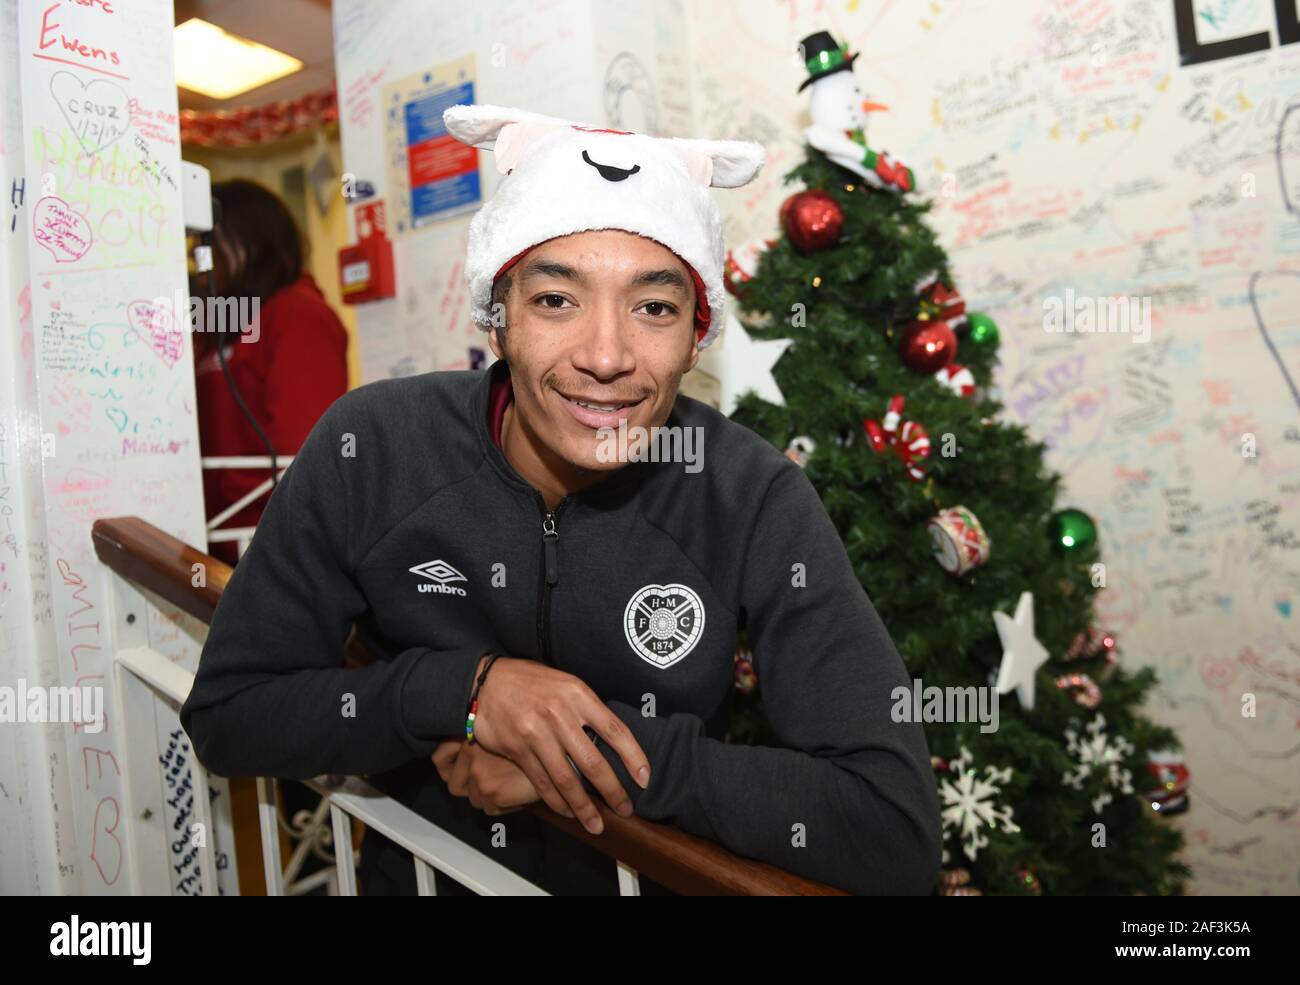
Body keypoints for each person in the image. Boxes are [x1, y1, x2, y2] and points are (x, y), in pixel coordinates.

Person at [180, 104, 943, 896]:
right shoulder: (374, 447)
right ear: (498, 316)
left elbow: (891, 827)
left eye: (654, 307)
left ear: (695, 335)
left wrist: (581, 752)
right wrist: (466, 689)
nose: (606, 356)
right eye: (556, 299)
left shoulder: (747, 493)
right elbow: (232, 713)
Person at [193, 178, 349, 566]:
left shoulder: (296, 315)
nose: (199, 265)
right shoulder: (217, 322)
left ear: (249, 243)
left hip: (264, 545)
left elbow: (302, 452)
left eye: (207, 248)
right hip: (207, 539)